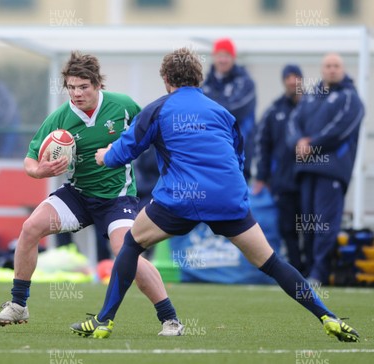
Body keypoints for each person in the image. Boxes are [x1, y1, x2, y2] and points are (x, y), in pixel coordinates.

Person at [71, 48, 359, 342]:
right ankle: (328, 316)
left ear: (166, 79)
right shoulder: (222, 112)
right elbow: (239, 159)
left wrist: (104, 156)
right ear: (199, 78)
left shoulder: (158, 109)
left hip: (180, 199)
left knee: (131, 244)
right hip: (228, 198)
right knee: (272, 263)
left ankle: (104, 321)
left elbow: (124, 153)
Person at [0, 51, 183, 336]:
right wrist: (40, 171)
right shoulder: (60, 118)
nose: (77, 93)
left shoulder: (123, 106)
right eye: (71, 87)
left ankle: (170, 320)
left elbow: (152, 131)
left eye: (83, 87)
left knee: (125, 250)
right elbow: (30, 161)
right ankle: (19, 304)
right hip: (78, 196)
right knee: (30, 228)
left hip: (118, 199)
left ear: (97, 84)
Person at [288, 53, 364, 285]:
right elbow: (293, 123)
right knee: (308, 225)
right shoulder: (311, 97)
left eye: (336, 66)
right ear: (322, 69)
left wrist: (312, 144)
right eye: (328, 66)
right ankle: (309, 272)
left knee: (324, 224)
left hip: (331, 172)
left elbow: (340, 129)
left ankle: (319, 274)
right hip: (307, 171)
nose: (332, 69)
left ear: (343, 69)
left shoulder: (351, 98)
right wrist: (299, 142)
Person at [253, 64, 304, 272]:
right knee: (287, 228)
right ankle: (298, 270)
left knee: (312, 228)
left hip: (310, 180)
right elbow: (262, 144)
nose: (292, 80)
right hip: (283, 182)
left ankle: (318, 272)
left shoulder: (312, 106)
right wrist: (262, 177)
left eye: (296, 77)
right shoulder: (274, 111)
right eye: (288, 77)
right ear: (284, 81)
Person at [202, 38, 256, 181]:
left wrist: (211, 111)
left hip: (239, 156)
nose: (222, 60)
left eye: (226, 55)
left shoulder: (246, 83)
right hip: (209, 156)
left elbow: (236, 111)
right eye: (219, 55)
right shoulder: (204, 84)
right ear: (214, 57)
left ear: (233, 58)